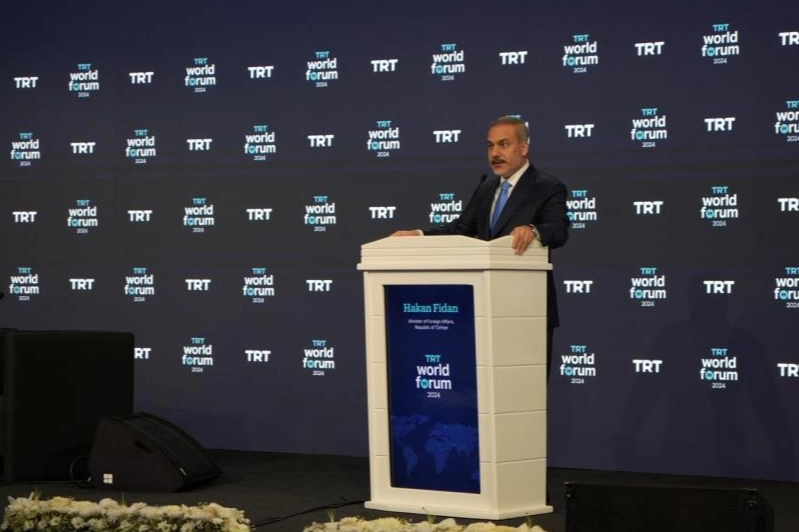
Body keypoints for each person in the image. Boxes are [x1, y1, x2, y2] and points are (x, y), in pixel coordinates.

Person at [392, 115, 569, 376]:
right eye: (490, 145)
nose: (495, 153)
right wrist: (419, 234)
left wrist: (533, 230)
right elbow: (461, 229)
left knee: (524, 387)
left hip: (527, 307)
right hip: (485, 306)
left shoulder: (547, 187)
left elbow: (559, 230)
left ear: (524, 147)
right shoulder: (487, 188)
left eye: (503, 144)